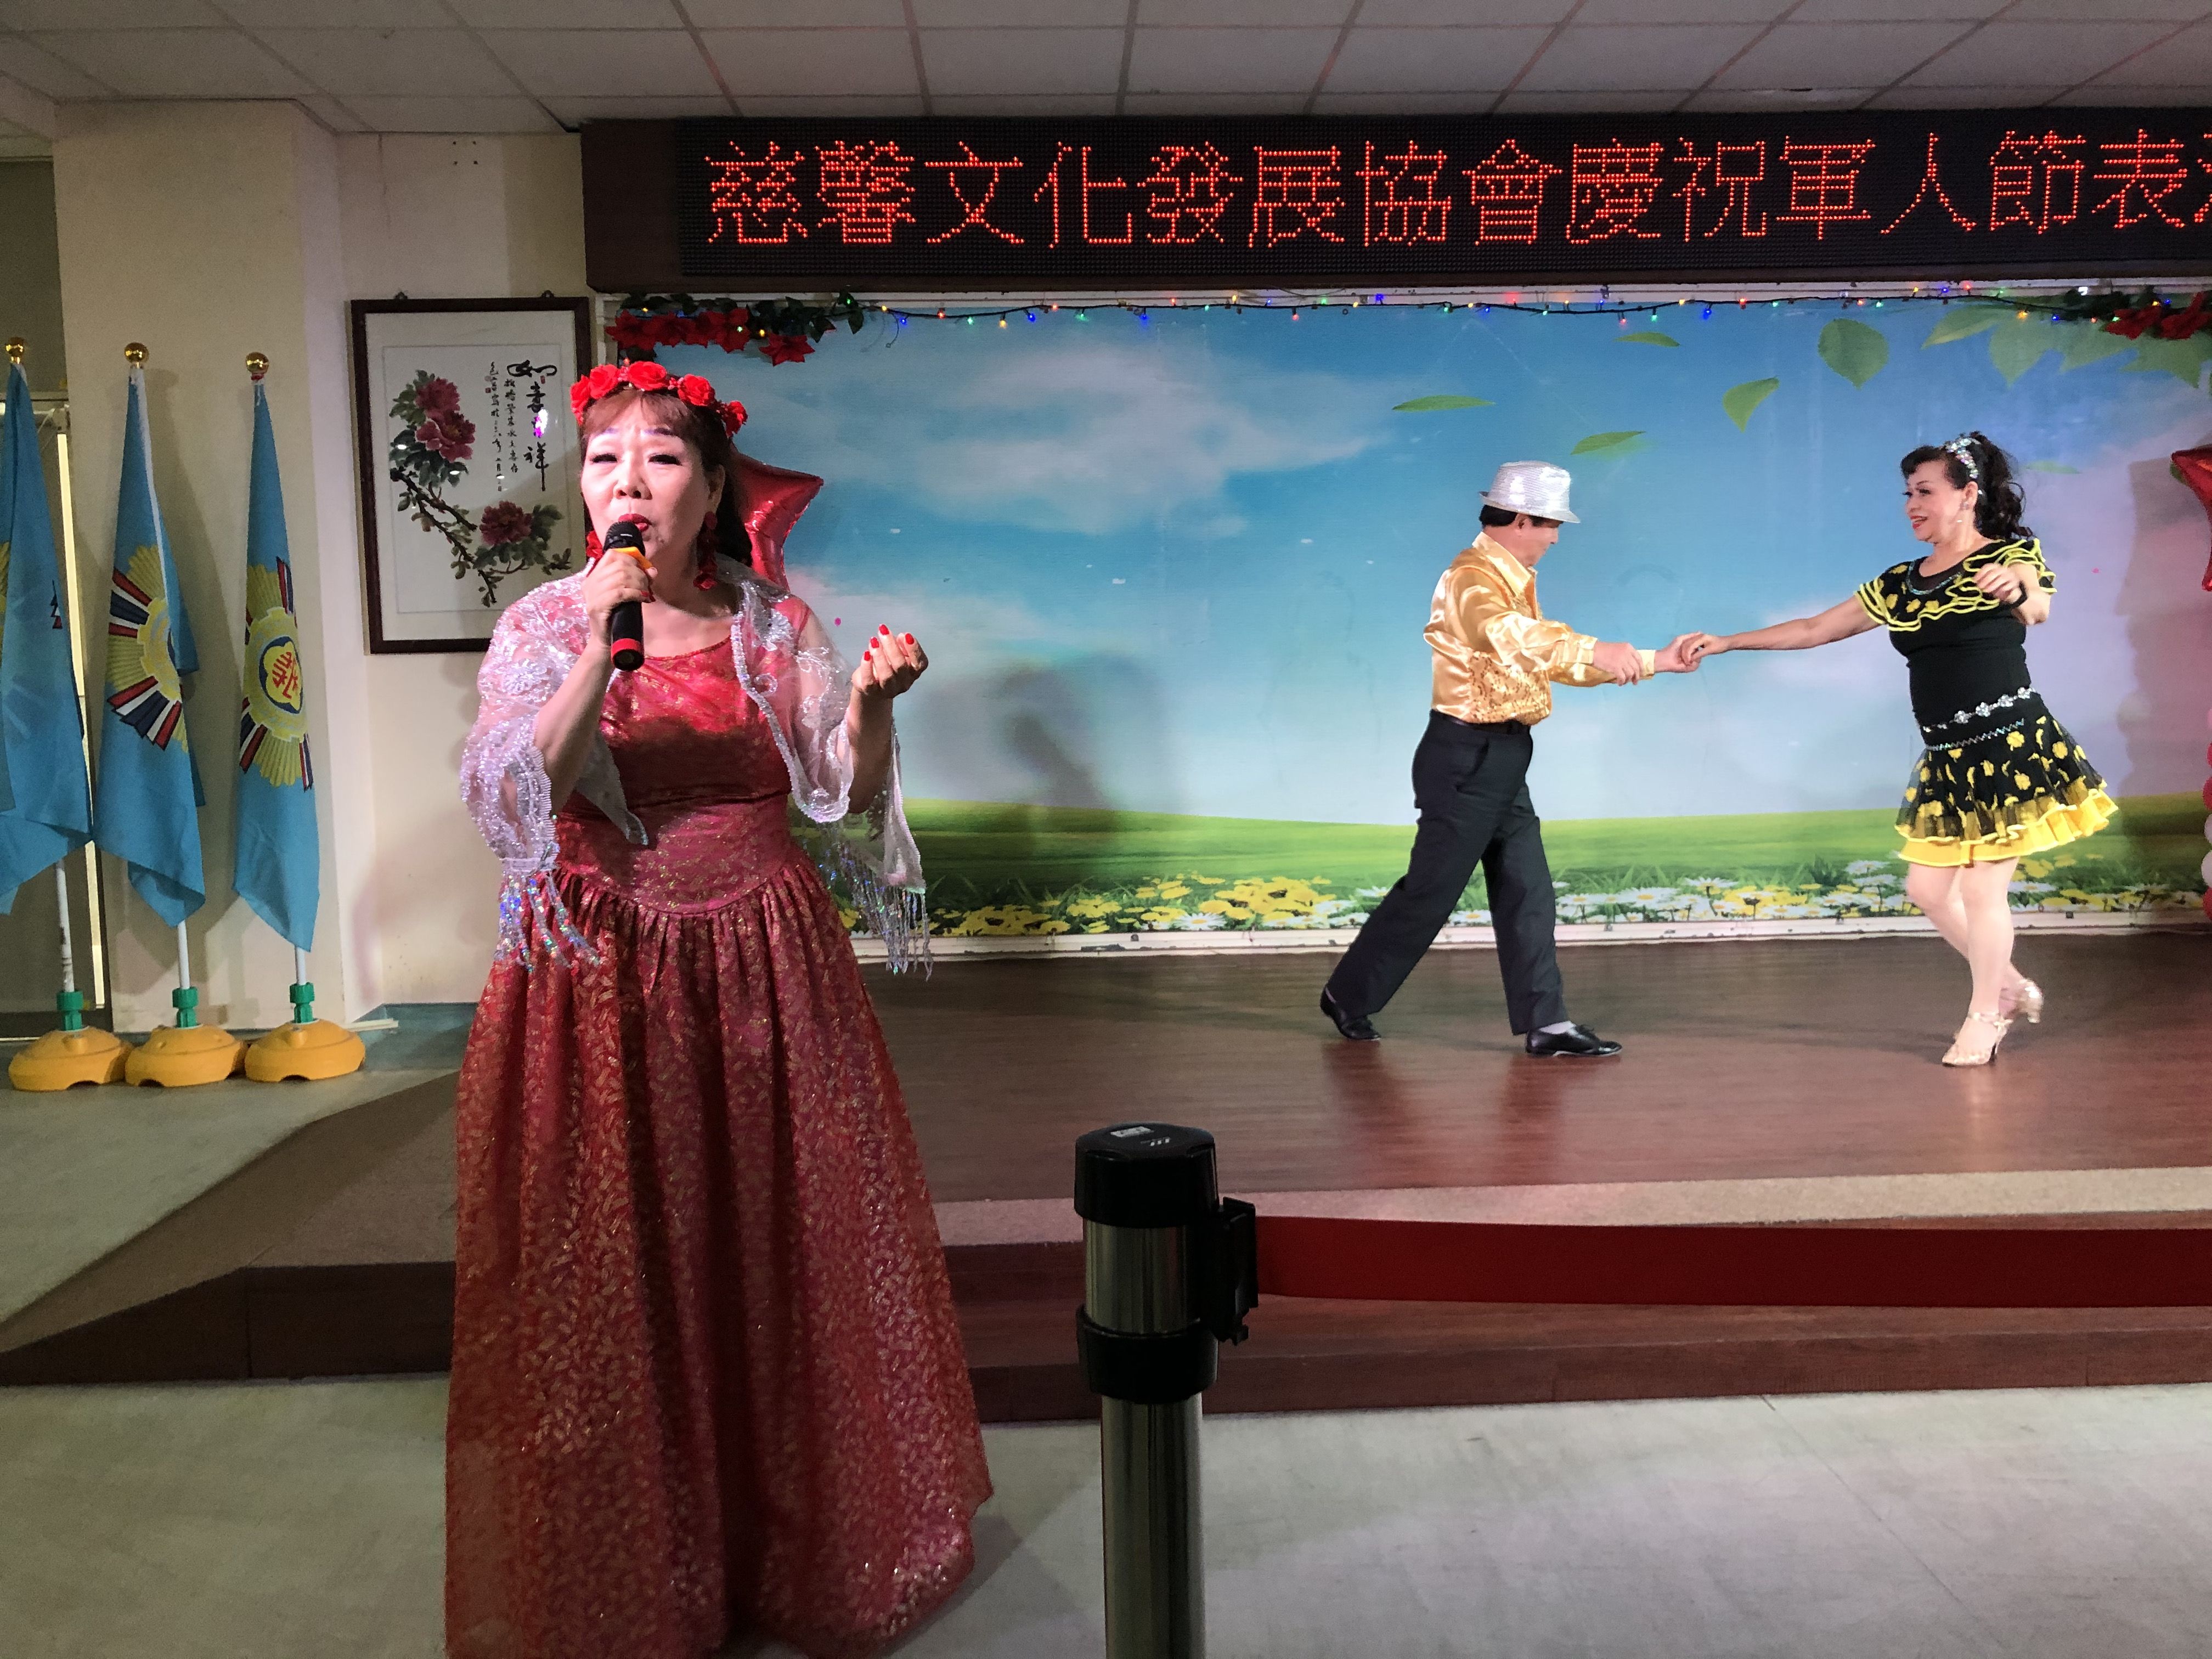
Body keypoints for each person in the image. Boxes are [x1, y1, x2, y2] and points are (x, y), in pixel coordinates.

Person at [447, 360, 989, 1659]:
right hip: (599, 975)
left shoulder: (769, 624)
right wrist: (601, 644)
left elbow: (834, 789)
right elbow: (518, 794)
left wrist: (870, 707)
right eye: (605, 459)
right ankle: (643, 1569)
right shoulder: (544, 626)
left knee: (778, 1244)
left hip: (764, 964)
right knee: (619, 1259)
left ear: (710, 485)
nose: (628, 481)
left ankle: (791, 1548)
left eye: (661, 457)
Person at [1675, 431, 2115, 1067]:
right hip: (1949, 758)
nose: (1912, 505)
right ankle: (2010, 986)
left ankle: (1985, 1015)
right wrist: (1728, 642)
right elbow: (1815, 628)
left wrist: (2015, 592)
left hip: (2010, 748)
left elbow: (2037, 604)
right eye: (1908, 494)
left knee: (1982, 892)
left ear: (1967, 495)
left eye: (1925, 492)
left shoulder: (2010, 556)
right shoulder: (1901, 583)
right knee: (1929, 892)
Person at [1321, 460, 1699, 1057]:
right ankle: (1347, 994)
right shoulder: (1471, 579)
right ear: (1521, 520)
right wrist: (1596, 647)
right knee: (1431, 893)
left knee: (1527, 888)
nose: (1556, 538)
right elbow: (1505, 635)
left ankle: (1547, 1025)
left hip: (1502, 754)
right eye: (1551, 525)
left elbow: (1545, 660)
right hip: (1465, 755)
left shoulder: (1511, 578)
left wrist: (1654, 661)